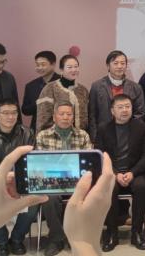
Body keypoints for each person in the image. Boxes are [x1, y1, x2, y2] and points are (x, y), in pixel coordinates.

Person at [92, 95, 145, 251]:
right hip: (112, 172)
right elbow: (100, 155)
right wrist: (115, 173)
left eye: (127, 106)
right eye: (120, 107)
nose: (125, 110)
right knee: (109, 188)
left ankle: (137, 232)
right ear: (112, 111)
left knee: (141, 187)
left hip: (136, 172)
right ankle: (112, 233)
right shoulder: (103, 128)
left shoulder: (142, 127)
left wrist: (132, 172)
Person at [0, 100, 37, 255]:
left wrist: (16, 177)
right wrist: (5, 177)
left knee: (34, 202)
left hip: (22, 180)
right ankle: (1, 241)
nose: (10, 117)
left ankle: (17, 239)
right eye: (5, 113)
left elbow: (30, 160)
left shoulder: (27, 133)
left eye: (14, 113)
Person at [35, 101, 93, 256]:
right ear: (54, 117)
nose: (66, 117)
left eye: (69, 114)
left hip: (77, 181)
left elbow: (89, 163)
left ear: (73, 117)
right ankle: (56, 238)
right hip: (52, 180)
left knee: (87, 194)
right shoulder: (43, 136)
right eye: (62, 114)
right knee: (50, 197)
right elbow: (41, 165)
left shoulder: (83, 135)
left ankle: (76, 236)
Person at [89, 50, 145, 134]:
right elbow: (92, 115)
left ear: (126, 66)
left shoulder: (136, 87)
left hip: (128, 134)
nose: (119, 66)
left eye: (122, 63)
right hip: (103, 134)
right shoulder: (97, 86)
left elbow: (139, 114)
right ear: (108, 66)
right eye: (115, 63)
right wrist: (94, 137)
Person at [35, 54, 89, 133]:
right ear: (61, 70)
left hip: (80, 137)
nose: (74, 70)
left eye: (76, 66)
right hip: (54, 136)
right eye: (69, 67)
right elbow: (43, 119)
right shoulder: (50, 88)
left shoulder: (83, 90)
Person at [21, 51, 60, 131]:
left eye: (43, 64)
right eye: (37, 65)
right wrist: (39, 103)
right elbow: (25, 110)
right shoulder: (31, 86)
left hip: (60, 127)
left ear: (53, 64)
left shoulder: (64, 82)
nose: (40, 68)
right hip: (37, 129)